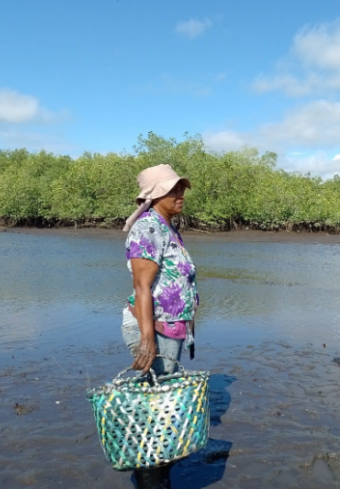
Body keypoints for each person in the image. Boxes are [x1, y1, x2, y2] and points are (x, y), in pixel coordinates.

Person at [120, 164, 199, 489]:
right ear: (155, 195)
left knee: (163, 406)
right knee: (158, 410)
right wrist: (146, 339)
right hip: (155, 331)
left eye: (181, 188)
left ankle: (156, 475)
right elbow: (142, 287)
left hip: (170, 331)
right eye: (173, 189)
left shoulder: (167, 227)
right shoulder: (149, 228)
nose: (180, 194)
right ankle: (151, 478)